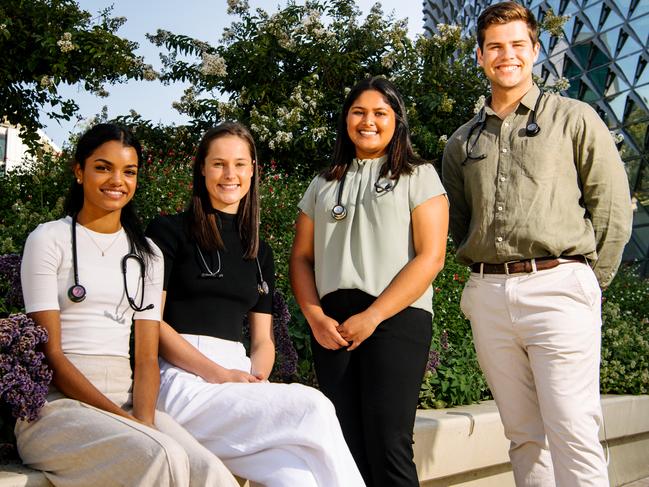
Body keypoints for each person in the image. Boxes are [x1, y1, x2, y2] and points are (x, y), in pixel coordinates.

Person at [441, 3, 633, 486]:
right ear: (481, 56)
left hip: (560, 287)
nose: (507, 55)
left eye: (517, 45)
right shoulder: (462, 142)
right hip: (489, 295)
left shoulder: (574, 118)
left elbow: (610, 208)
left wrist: (590, 282)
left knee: (573, 429)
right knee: (524, 435)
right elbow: (461, 221)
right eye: (495, 47)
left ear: (534, 50)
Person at [145, 122, 364, 487]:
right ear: (202, 168)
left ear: (252, 170)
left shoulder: (258, 250)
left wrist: (255, 376)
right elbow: (152, 323)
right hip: (182, 378)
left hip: (240, 378)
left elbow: (263, 340)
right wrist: (218, 374)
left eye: (240, 164)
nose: (229, 174)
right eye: (218, 164)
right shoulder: (168, 232)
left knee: (300, 478)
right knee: (314, 406)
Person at [18, 124, 238, 487]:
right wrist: (132, 426)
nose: (117, 180)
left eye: (129, 171)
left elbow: (147, 357)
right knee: (159, 455)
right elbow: (52, 355)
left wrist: (144, 419)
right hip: (57, 407)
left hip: (126, 397)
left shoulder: (148, 255)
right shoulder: (49, 239)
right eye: (103, 167)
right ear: (79, 171)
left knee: (209, 472)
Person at [290, 76, 449, 487]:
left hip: (396, 318)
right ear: (346, 119)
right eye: (358, 111)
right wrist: (314, 317)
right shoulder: (322, 183)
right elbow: (301, 258)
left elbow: (431, 257)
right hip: (332, 328)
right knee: (343, 445)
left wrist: (374, 315)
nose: (368, 121)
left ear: (397, 119)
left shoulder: (420, 176)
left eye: (380, 112)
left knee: (388, 442)